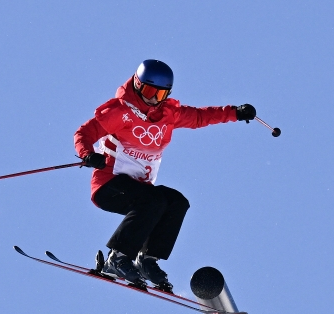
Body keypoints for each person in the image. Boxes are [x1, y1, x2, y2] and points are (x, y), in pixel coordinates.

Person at [74, 59, 256, 291]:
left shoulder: (168, 114)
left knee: (176, 202)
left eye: (160, 95)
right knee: (152, 201)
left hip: (140, 190)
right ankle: (117, 258)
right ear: (138, 85)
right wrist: (87, 154)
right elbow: (84, 132)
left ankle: (147, 259)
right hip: (109, 185)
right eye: (149, 91)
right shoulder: (120, 111)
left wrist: (235, 113)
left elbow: (200, 117)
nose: (153, 99)